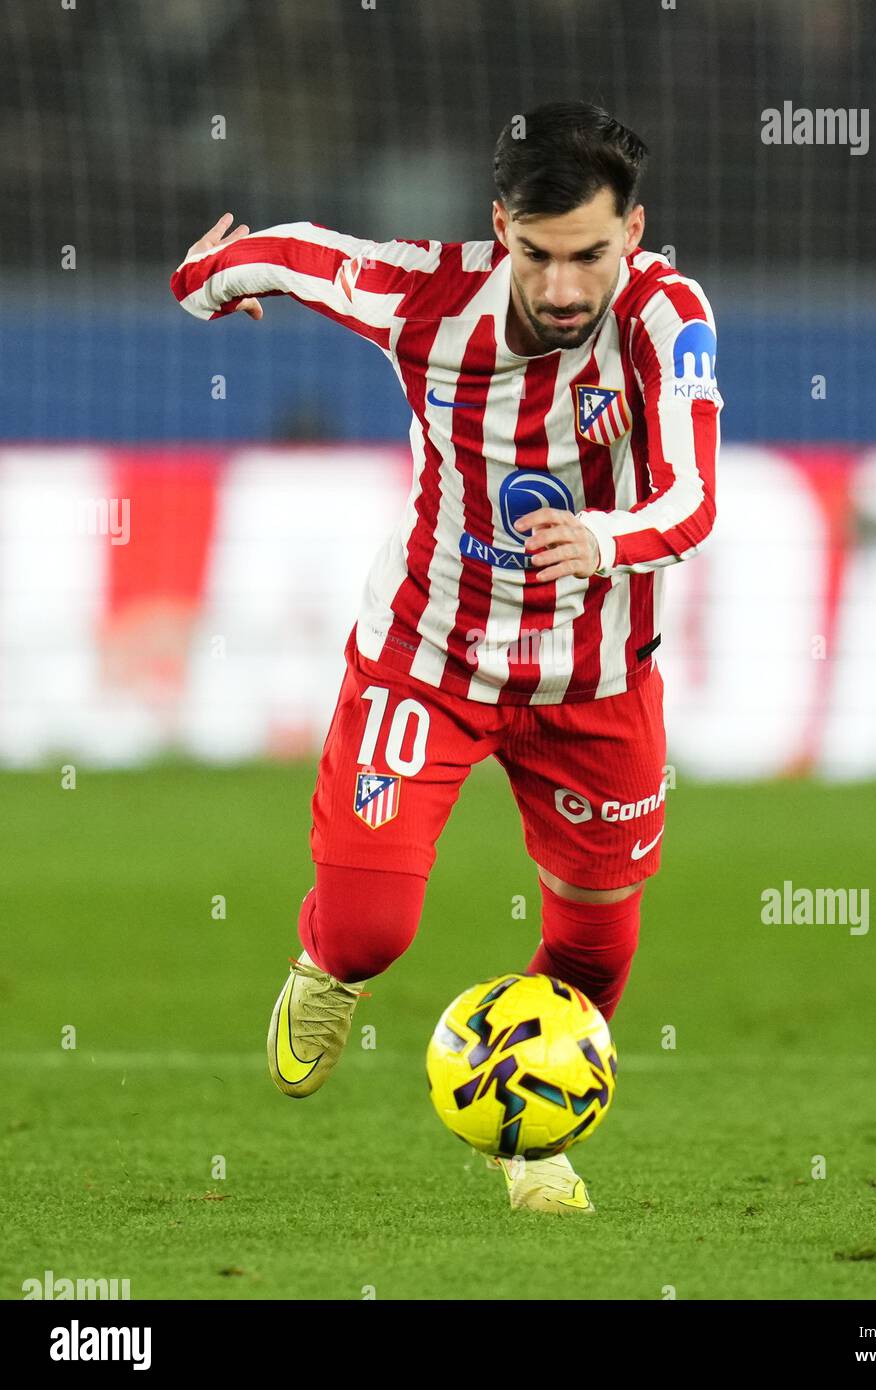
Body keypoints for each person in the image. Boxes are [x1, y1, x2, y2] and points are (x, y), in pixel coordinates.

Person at [171, 100, 722, 1215]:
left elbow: (696, 496)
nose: (564, 288)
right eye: (535, 254)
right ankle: (323, 963)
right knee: (373, 927)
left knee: (592, 949)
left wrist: (603, 539)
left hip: (597, 681)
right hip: (429, 654)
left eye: (590, 256)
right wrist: (207, 280)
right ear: (496, 227)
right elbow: (282, 258)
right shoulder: (422, 293)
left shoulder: (668, 315)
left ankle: (527, 1135)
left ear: (635, 231)